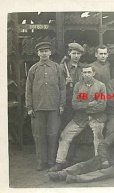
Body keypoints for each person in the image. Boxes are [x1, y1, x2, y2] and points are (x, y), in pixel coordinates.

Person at [48, 113, 114, 184]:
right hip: (109, 158)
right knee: (85, 165)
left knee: (102, 174)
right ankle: (60, 174)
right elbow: (103, 145)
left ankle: (74, 178)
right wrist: (104, 159)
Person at [49, 65, 107, 172]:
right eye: (85, 72)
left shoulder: (100, 86)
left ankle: (98, 162)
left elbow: (102, 105)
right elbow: (75, 105)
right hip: (80, 118)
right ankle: (60, 162)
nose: (87, 74)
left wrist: (84, 106)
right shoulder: (78, 86)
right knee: (64, 136)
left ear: (93, 73)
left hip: (97, 117)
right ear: (82, 73)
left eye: (89, 72)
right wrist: (90, 104)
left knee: (98, 137)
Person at [25, 42, 66, 170]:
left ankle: (51, 161)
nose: (44, 53)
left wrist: (61, 105)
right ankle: (41, 162)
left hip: (54, 108)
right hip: (38, 109)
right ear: (38, 53)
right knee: (39, 136)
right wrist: (29, 107)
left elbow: (63, 88)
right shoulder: (33, 69)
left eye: (46, 51)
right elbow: (28, 89)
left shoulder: (57, 68)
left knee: (53, 135)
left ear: (50, 53)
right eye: (41, 51)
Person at [60, 42, 85, 129]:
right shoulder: (62, 67)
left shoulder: (84, 68)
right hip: (67, 100)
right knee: (66, 122)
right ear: (69, 53)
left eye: (78, 53)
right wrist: (65, 82)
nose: (76, 56)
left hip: (80, 99)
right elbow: (56, 85)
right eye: (74, 53)